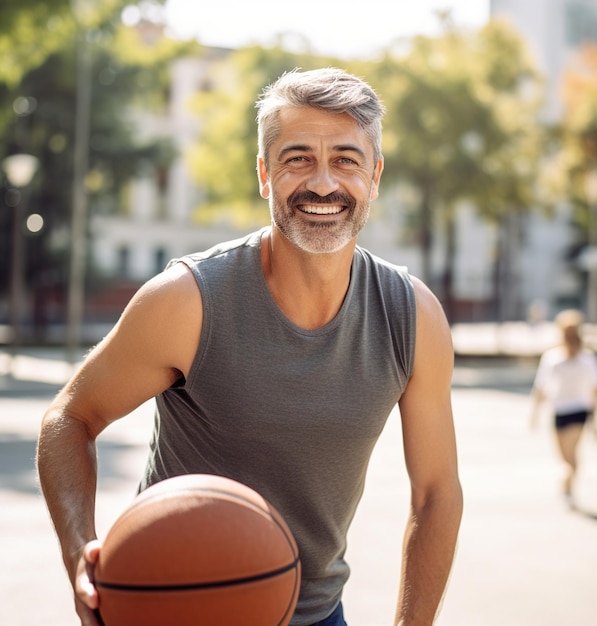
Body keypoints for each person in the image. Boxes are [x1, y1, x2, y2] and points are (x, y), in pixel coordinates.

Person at [37, 67, 463, 626]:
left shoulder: (412, 316)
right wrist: (79, 556)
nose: (324, 183)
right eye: (297, 158)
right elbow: (69, 417)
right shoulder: (188, 301)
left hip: (315, 613)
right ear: (265, 174)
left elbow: (436, 494)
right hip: (173, 608)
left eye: (346, 159)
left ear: (375, 175)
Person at [530, 309, 597, 506]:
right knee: (567, 457)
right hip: (568, 411)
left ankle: (567, 488)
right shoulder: (557, 358)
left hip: (572, 411)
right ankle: (567, 486)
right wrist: (596, 421)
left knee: (568, 457)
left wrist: (535, 414)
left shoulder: (582, 359)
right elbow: (596, 392)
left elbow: (541, 390)